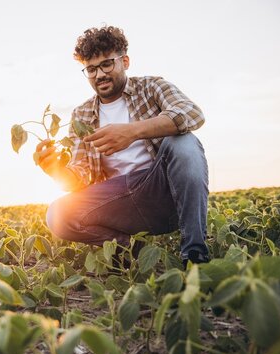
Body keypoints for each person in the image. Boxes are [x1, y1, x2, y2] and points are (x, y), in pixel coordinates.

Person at [35, 26, 210, 268]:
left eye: (107, 64)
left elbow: (191, 114)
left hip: (164, 189)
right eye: (91, 69)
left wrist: (132, 131)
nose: (99, 75)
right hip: (119, 200)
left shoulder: (151, 87)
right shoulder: (82, 115)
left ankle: (194, 254)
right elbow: (80, 177)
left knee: (183, 141)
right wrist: (56, 170)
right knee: (58, 215)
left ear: (124, 61)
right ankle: (137, 252)